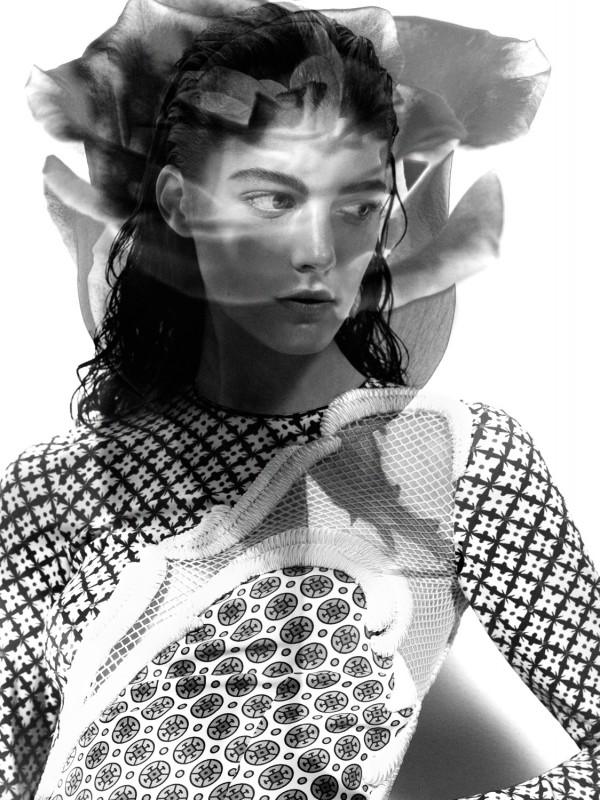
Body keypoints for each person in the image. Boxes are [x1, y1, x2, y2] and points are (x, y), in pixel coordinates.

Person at [0, 3, 598, 800]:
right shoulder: (55, 488)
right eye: (273, 200)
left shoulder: (453, 460)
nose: (318, 251)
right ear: (179, 202)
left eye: (357, 207)